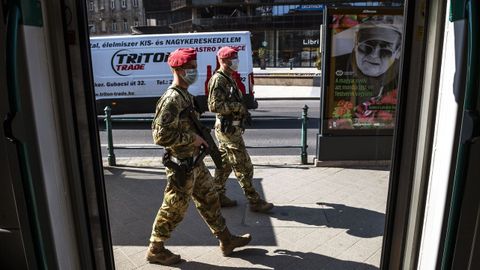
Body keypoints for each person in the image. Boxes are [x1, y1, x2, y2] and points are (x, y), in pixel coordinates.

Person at [147, 48, 251, 265]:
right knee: (174, 206)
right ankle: (156, 248)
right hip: (181, 165)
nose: (194, 72)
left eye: (194, 67)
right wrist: (191, 139)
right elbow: (160, 135)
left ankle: (226, 240)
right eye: (190, 68)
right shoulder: (172, 98)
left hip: (194, 162)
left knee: (210, 197)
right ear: (177, 69)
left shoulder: (186, 95)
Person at [207, 46, 274, 213]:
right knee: (243, 165)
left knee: (224, 165)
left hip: (231, 129)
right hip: (227, 130)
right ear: (223, 61)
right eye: (232, 58)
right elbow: (214, 105)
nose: (236, 61)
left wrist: (243, 112)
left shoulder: (229, 78)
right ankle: (254, 201)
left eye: (236, 57)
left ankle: (218, 195)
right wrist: (238, 107)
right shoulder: (219, 79)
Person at [329, 16, 402, 129]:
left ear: (398, 51)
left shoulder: (403, 77)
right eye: (367, 44)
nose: (374, 54)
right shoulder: (334, 67)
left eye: (385, 48)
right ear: (356, 41)